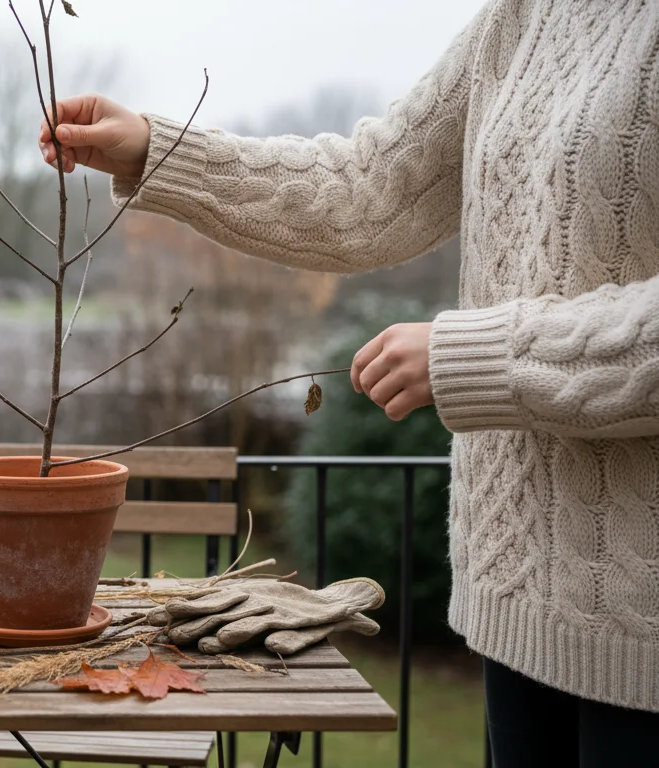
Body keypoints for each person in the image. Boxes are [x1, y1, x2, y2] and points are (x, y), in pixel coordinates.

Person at [37, 2, 658, 766]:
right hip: (520, 613)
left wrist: (478, 355)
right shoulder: (526, 15)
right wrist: (156, 154)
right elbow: (369, 191)